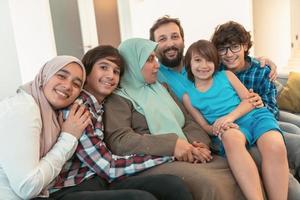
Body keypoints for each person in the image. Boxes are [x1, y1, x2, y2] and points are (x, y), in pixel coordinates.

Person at [149, 15, 300, 199]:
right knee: (253, 144)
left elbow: (231, 59)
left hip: (252, 114)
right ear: (154, 46)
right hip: (225, 126)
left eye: (174, 36)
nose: (170, 43)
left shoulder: (212, 64)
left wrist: (262, 60)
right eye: (162, 39)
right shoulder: (156, 75)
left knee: (286, 135)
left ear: (182, 39)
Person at [103, 38, 248, 200]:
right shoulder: (118, 99)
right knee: (210, 183)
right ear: (132, 63)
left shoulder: (162, 88)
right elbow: (120, 140)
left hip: (190, 152)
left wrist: (197, 144)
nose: (157, 65)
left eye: (155, 58)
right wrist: (174, 145)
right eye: (150, 59)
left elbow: (188, 121)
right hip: (156, 160)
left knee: (233, 170)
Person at [48, 45, 193, 200]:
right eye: (103, 67)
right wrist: (170, 154)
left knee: (171, 185)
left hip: (98, 180)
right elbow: (108, 167)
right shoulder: (79, 109)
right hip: (72, 188)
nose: (110, 75)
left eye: (116, 71)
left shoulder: (102, 106)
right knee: (141, 198)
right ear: (87, 72)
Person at [183, 39, 289, 199]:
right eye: (198, 60)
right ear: (188, 64)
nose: (204, 65)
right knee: (230, 139)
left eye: (209, 60)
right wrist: (217, 128)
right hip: (229, 128)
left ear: (215, 62)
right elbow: (204, 125)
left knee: (275, 145)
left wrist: (228, 117)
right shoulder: (188, 96)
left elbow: (250, 101)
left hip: (254, 117)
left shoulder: (227, 75)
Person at [211, 20, 300, 183]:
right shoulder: (215, 71)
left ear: (245, 46)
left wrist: (257, 104)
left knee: (296, 125)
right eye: (222, 49)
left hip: (264, 116)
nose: (229, 54)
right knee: (295, 139)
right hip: (239, 124)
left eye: (235, 47)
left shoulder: (260, 70)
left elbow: (272, 110)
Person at [0, 56, 91, 199]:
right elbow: (27, 187)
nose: (67, 86)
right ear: (44, 75)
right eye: (61, 75)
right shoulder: (23, 109)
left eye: (76, 84)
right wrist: (68, 138)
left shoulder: (51, 114)